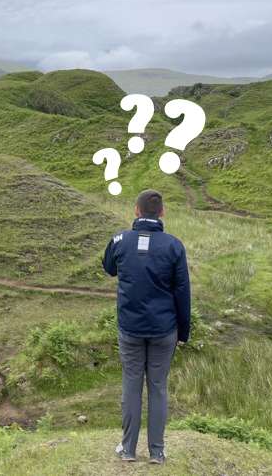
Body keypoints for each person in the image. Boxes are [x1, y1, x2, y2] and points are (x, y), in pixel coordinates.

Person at [102, 189, 191, 465]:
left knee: (131, 385)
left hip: (130, 328)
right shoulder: (174, 246)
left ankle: (128, 449)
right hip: (165, 329)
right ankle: (157, 452)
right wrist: (183, 332)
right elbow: (183, 292)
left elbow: (109, 268)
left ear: (136, 211)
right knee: (158, 387)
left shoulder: (119, 240)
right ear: (162, 213)